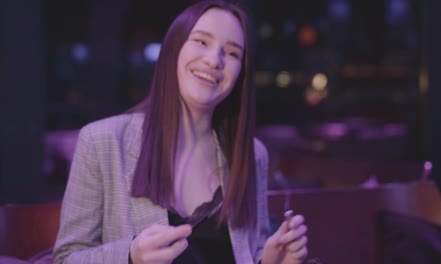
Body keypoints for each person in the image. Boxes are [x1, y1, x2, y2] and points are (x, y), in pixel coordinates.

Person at [53, 0, 308, 263]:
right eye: (201, 41)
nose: (214, 60)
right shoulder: (101, 142)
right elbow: (66, 257)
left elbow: (250, 254)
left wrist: (272, 261)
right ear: (174, 47)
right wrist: (130, 256)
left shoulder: (252, 155)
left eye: (232, 54)